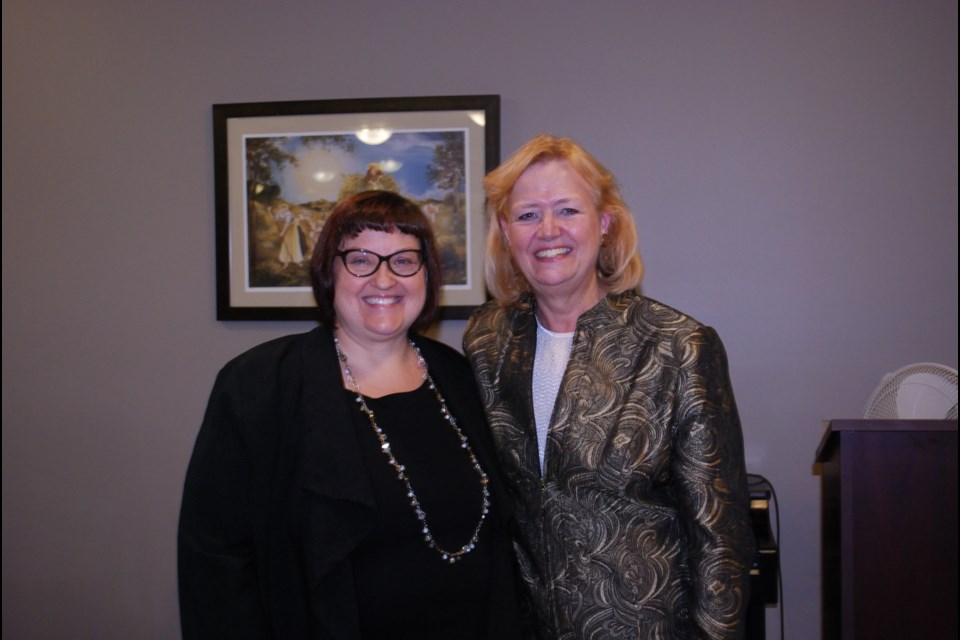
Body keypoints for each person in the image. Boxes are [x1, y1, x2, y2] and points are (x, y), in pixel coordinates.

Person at [178, 190, 523, 639]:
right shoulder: (258, 385)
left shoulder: (461, 377)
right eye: (361, 259)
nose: (384, 280)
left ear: (427, 276)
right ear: (329, 272)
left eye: (404, 260)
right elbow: (215, 558)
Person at [463, 135, 754, 639]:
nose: (547, 230)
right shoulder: (487, 342)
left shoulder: (677, 347)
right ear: (506, 233)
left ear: (604, 223)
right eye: (527, 215)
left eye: (567, 210)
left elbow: (721, 540)